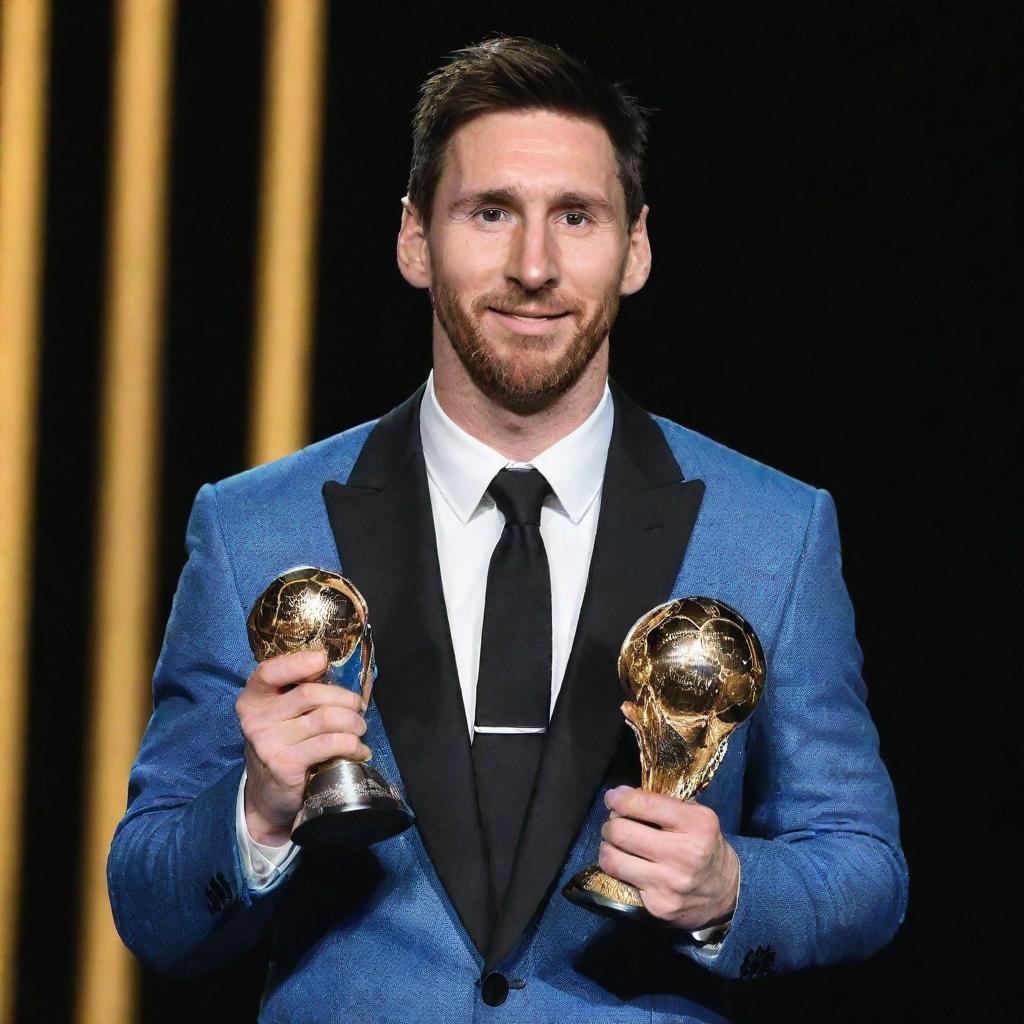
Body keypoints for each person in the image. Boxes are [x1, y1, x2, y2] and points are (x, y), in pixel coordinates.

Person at [108, 37, 907, 1023]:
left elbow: (862, 868)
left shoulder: (776, 531)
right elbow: (148, 903)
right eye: (490, 213)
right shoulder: (249, 528)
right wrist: (254, 810)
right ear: (413, 238)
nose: (533, 266)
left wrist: (731, 891)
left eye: (576, 217)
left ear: (636, 247)